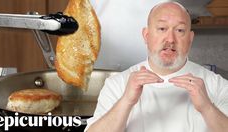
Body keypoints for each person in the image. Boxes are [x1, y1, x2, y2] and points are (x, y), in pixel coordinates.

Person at [85, 2, 228, 132]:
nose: (170, 39)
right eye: (162, 28)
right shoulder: (117, 84)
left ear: (190, 39)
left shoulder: (216, 84)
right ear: (146, 35)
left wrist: (207, 108)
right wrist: (126, 101)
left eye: (179, 30)